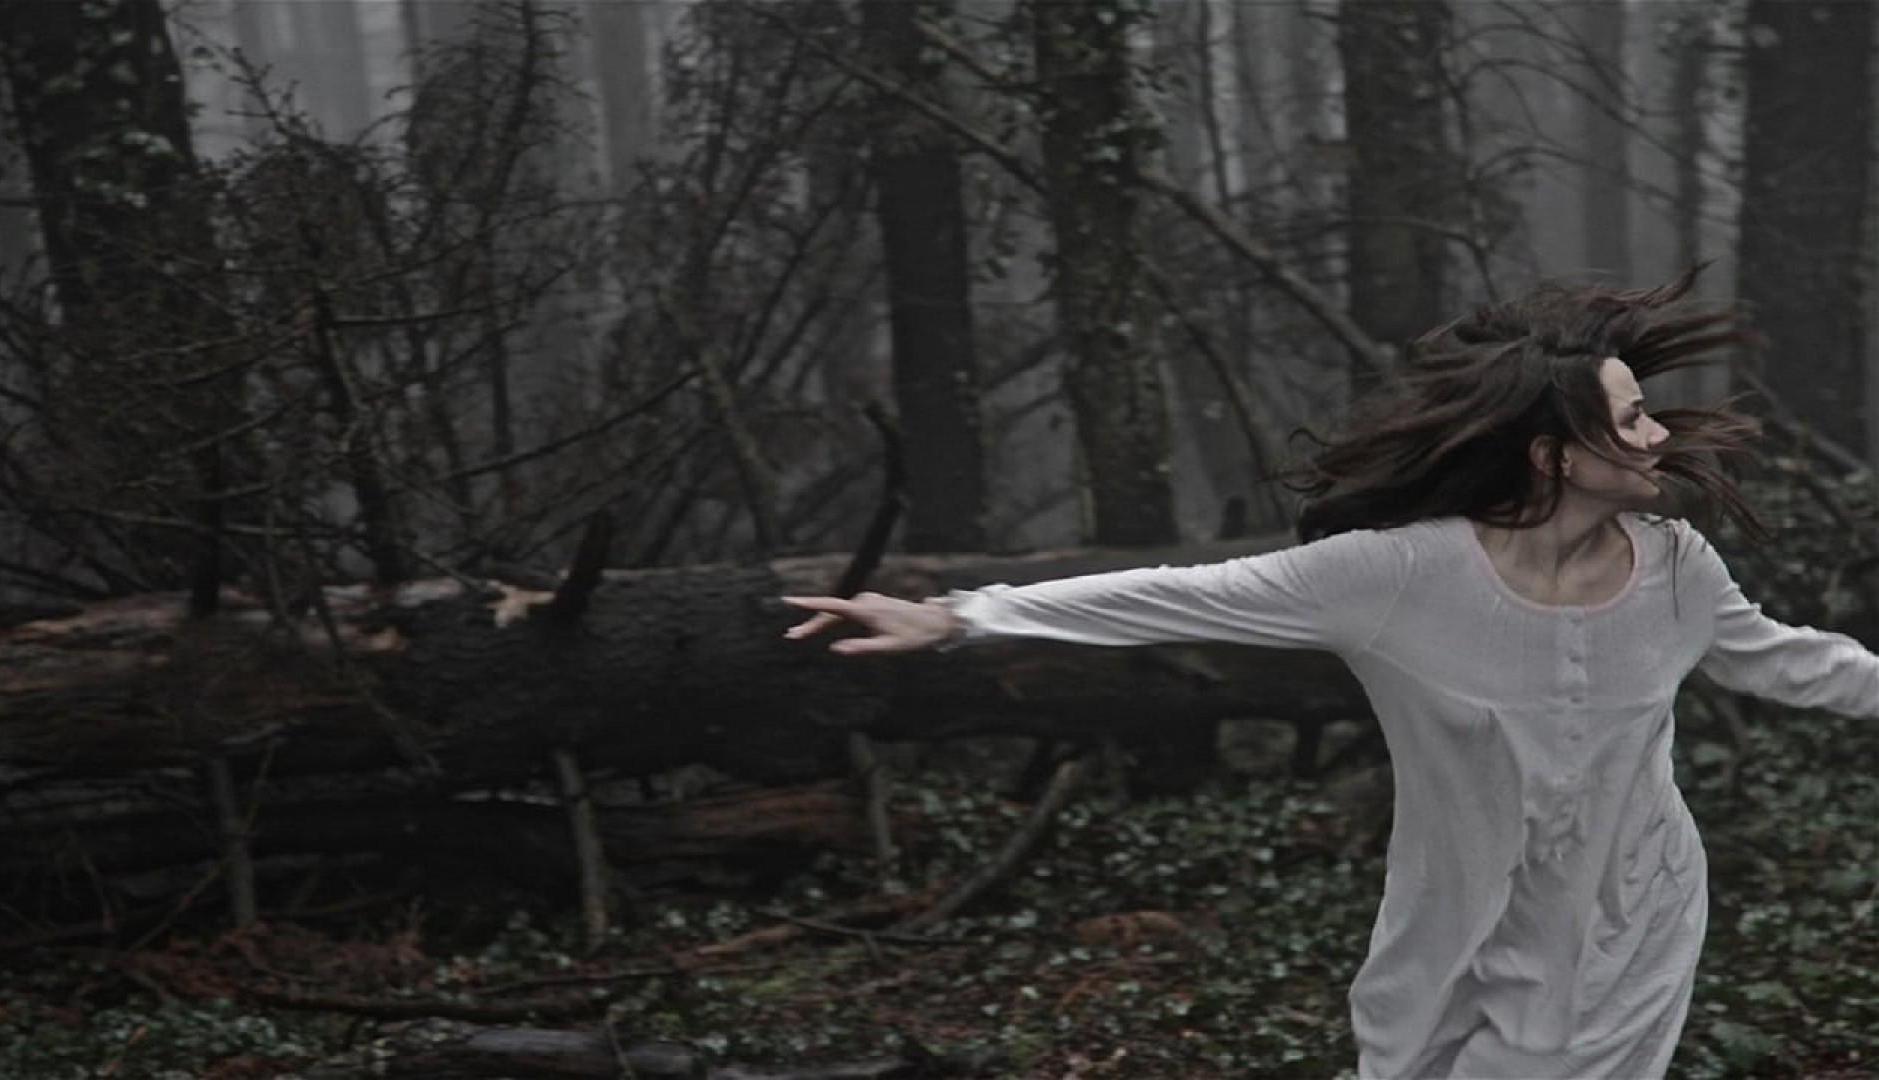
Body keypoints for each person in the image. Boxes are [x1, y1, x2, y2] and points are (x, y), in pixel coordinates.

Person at [781, 272, 1879, 1079]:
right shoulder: (1397, 577)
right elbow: (1180, 593)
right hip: (1454, 915)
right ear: (1555, 456)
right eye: (1632, 416)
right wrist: (960, 614)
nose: (1658, 433)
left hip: (1629, 914)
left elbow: (1795, 663)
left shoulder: (1677, 569)